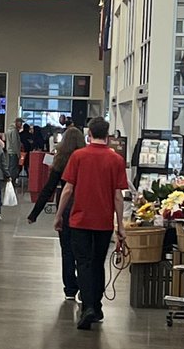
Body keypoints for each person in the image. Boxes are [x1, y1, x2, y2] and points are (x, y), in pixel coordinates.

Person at [54, 117, 128, 331]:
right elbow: (118, 196)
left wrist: (59, 215)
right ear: (108, 136)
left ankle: (88, 307)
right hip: (104, 222)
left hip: (79, 220)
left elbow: (67, 189)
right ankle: (96, 306)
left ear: (89, 134)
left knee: (83, 263)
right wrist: (120, 225)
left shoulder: (78, 156)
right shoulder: (116, 160)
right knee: (98, 263)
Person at [29, 125, 87, 300]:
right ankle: (84, 288)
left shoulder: (60, 160)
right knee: (83, 252)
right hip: (83, 205)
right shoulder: (85, 159)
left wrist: (34, 213)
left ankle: (69, 289)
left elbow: (48, 189)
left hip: (65, 206)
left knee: (66, 250)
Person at [6, 117, 23, 182]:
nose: (21, 125)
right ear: (17, 123)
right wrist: (18, 153)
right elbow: (15, 142)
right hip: (14, 152)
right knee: (13, 168)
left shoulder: (9, 129)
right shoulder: (14, 131)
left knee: (11, 167)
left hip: (10, 151)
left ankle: (10, 181)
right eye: (21, 123)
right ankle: (11, 181)